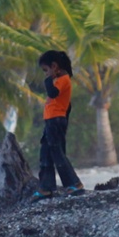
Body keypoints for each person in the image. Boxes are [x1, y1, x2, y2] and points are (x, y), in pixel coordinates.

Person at [34, 49, 85, 198]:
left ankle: (74, 183)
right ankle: (46, 187)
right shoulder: (59, 80)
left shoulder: (63, 80)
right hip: (51, 120)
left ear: (54, 66)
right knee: (46, 153)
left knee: (57, 154)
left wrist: (48, 80)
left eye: (46, 70)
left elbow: (53, 94)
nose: (45, 74)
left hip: (55, 121)